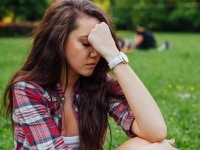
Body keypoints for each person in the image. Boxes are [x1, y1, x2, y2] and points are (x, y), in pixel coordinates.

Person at [1, 0, 177, 149]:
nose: (96, 53)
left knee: (156, 145)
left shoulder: (98, 85)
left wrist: (114, 56)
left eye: (99, 45)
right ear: (58, 41)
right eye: (86, 43)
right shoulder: (27, 89)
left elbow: (155, 131)